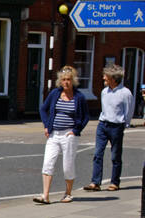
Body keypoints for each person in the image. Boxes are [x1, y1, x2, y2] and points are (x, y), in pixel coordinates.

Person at [34, 65, 89, 204]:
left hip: (69, 135)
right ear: (60, 81)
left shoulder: (79, 97)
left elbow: (85, 117)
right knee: (48, 163)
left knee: (68, 165)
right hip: (54, 134)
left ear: (73, 81)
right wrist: (46, 125)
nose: (66, 82)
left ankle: (68, 193)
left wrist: (76, 131)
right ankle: (45, 196)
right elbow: (43, 109)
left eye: (69, 79)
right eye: (63, 79)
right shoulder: (54, 94)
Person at [83, 64, 134, 192]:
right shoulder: (104, 92)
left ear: (113, 78)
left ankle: (115, 182)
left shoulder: (125, 93)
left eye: (106, 76)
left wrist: (124, 124)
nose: (103, 78)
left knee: (115, 156)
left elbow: (129, 111)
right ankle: (95, 182)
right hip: (102, 125)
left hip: (116, 126)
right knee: (97, 154)